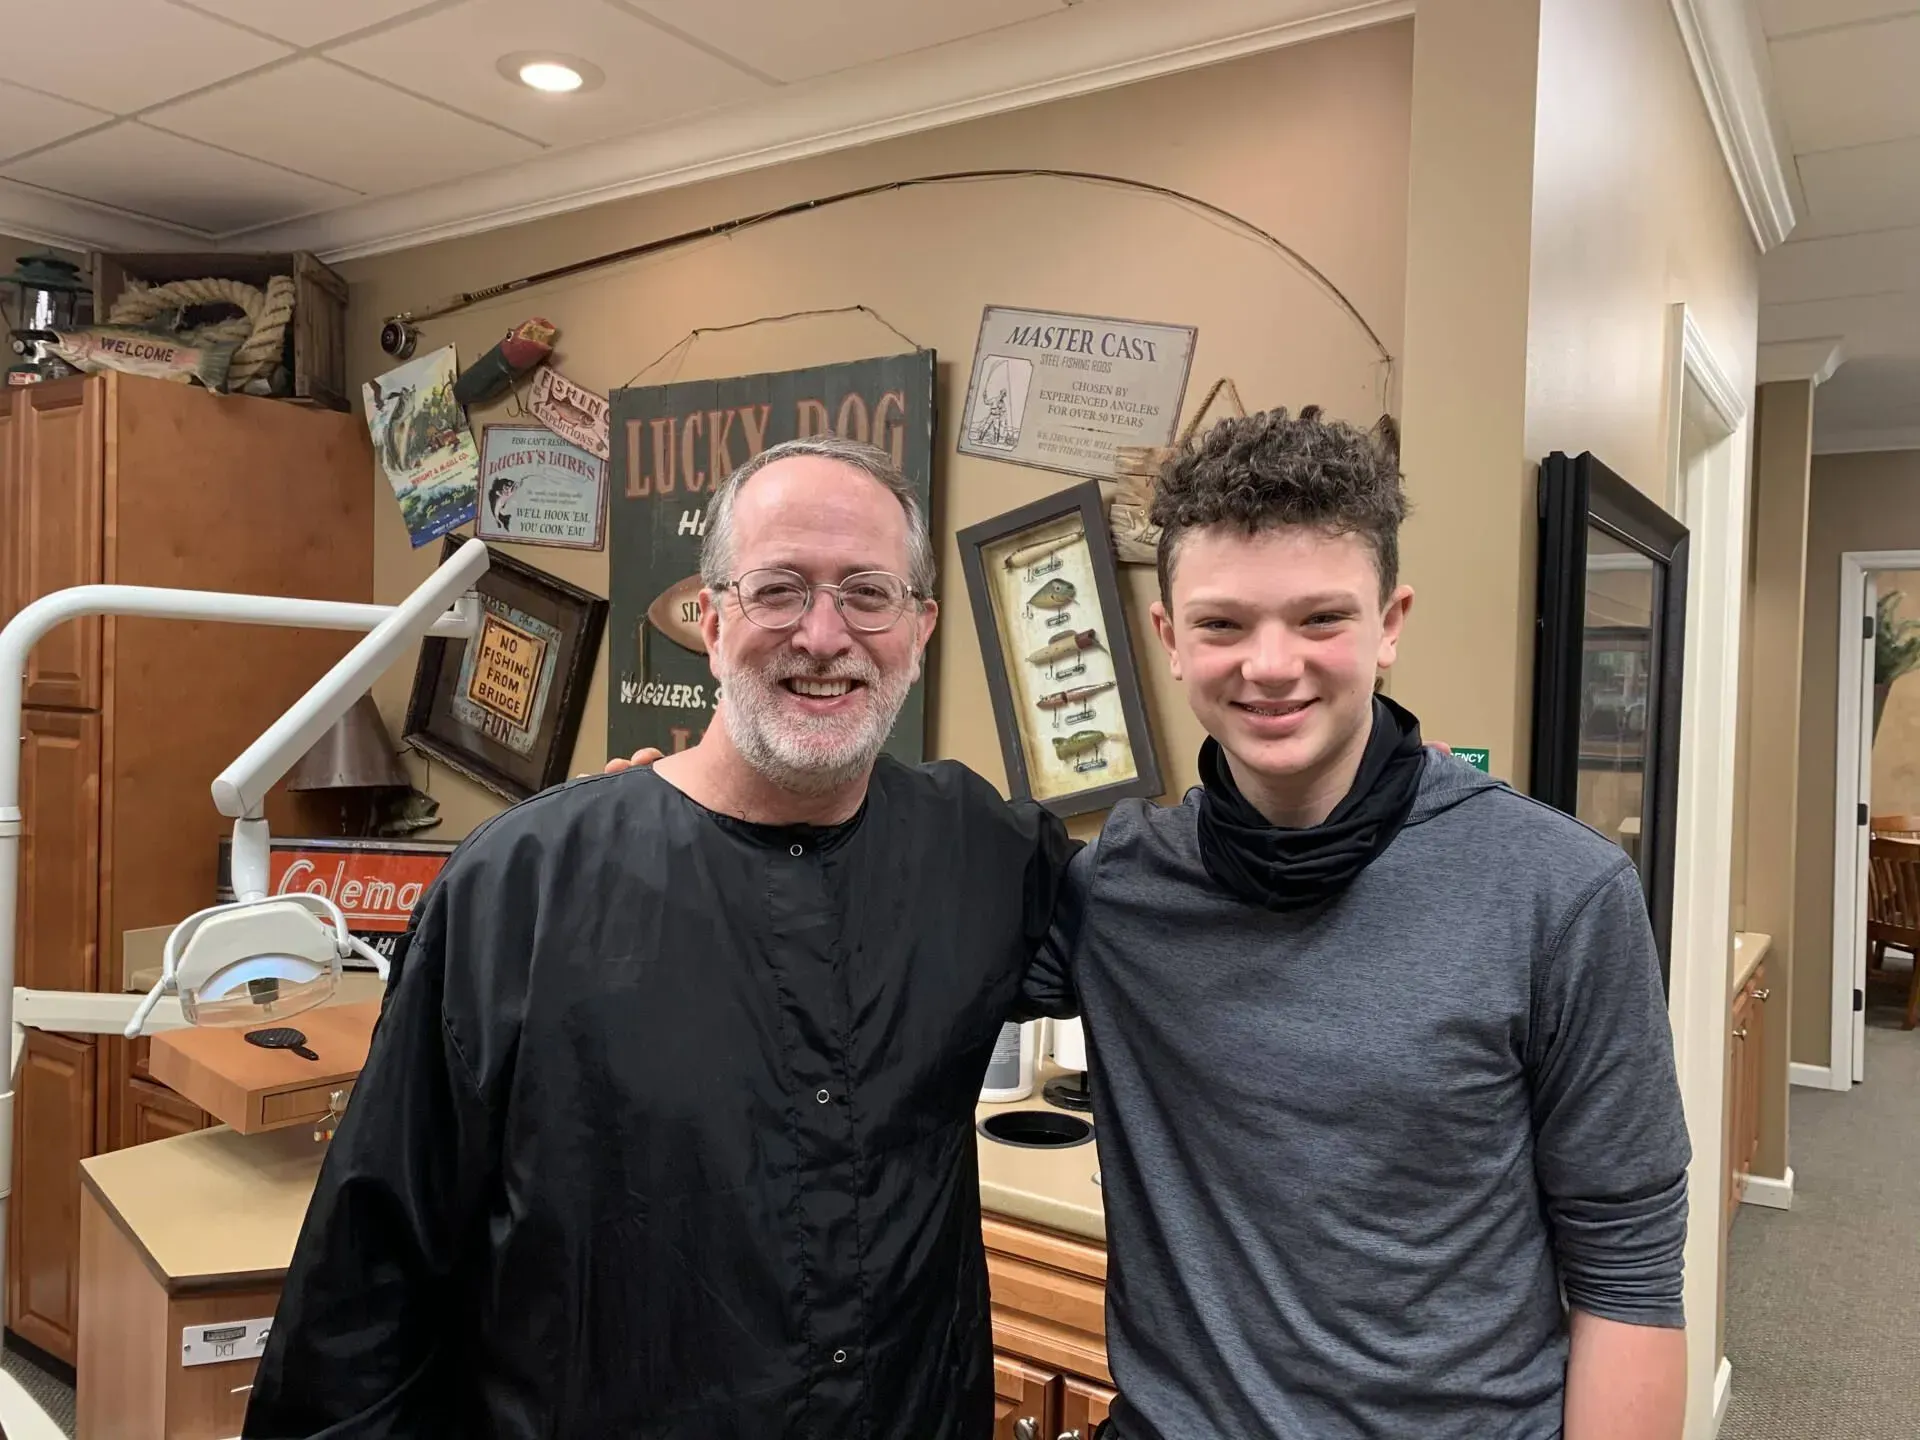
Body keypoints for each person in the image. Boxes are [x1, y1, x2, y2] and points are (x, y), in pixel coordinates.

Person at [243, 436, 1074, 1439]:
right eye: (778, 591)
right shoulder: (523, 890)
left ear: (920, 626)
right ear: (712, 621)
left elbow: (1198, 924)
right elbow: (367, 1285)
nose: (823, 634)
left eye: (868, 593)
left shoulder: (982, 853)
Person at [1020, 407, 1691, 1440]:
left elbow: (1630, 1262)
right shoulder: (1116, 888)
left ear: (1391, 623)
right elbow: (865, 939)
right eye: (1224, 624)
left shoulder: (1561, 892)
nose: (1272, 665)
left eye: (1321, 618)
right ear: (1168, 639)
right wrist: (685, 815)